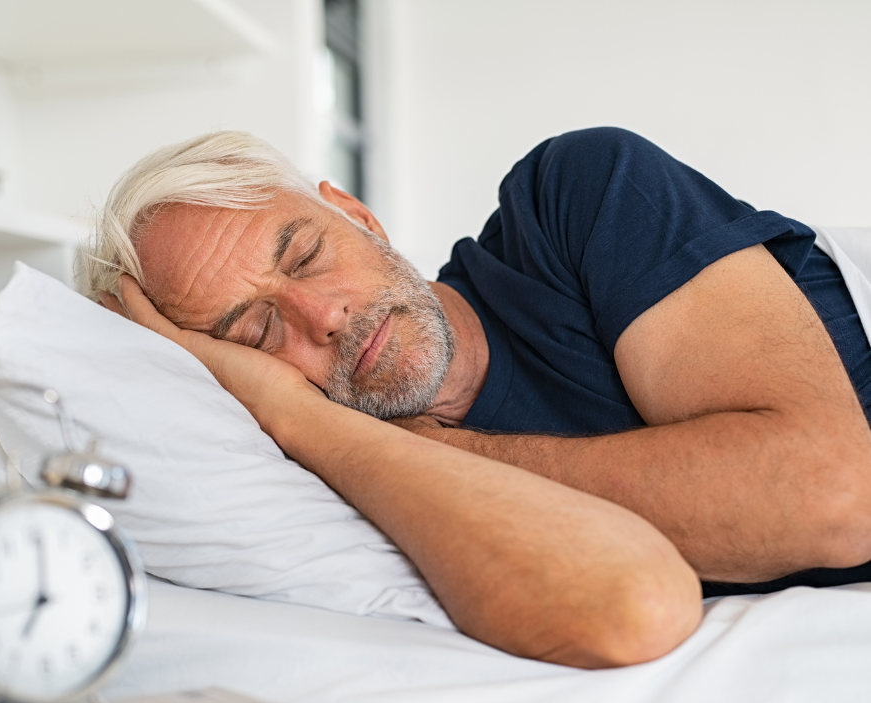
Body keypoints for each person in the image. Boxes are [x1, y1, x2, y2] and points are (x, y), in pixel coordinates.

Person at [83, 128, 871, 668]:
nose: (323, 317)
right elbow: (624, 608)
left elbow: (835, 496)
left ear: (357, 215)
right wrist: (299, 419)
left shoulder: (572, 198)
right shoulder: (330, 479)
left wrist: (440, 448)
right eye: (256, 332)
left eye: (309, 254)